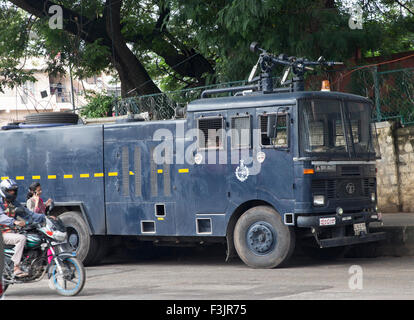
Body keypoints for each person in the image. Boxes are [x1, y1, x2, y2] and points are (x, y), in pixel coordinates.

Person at [0, 179, 45, 277]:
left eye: (14, 191)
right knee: (21, 238)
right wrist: (14, 221)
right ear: (3, 190)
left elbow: (28, 213)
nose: (12, 193)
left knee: (34, 236)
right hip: (2, 233)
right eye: (10, 191)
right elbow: (1, 217)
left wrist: (45, 217)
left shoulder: (13, 203)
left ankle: (31, 263)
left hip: (11, 232)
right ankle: (16, 267)